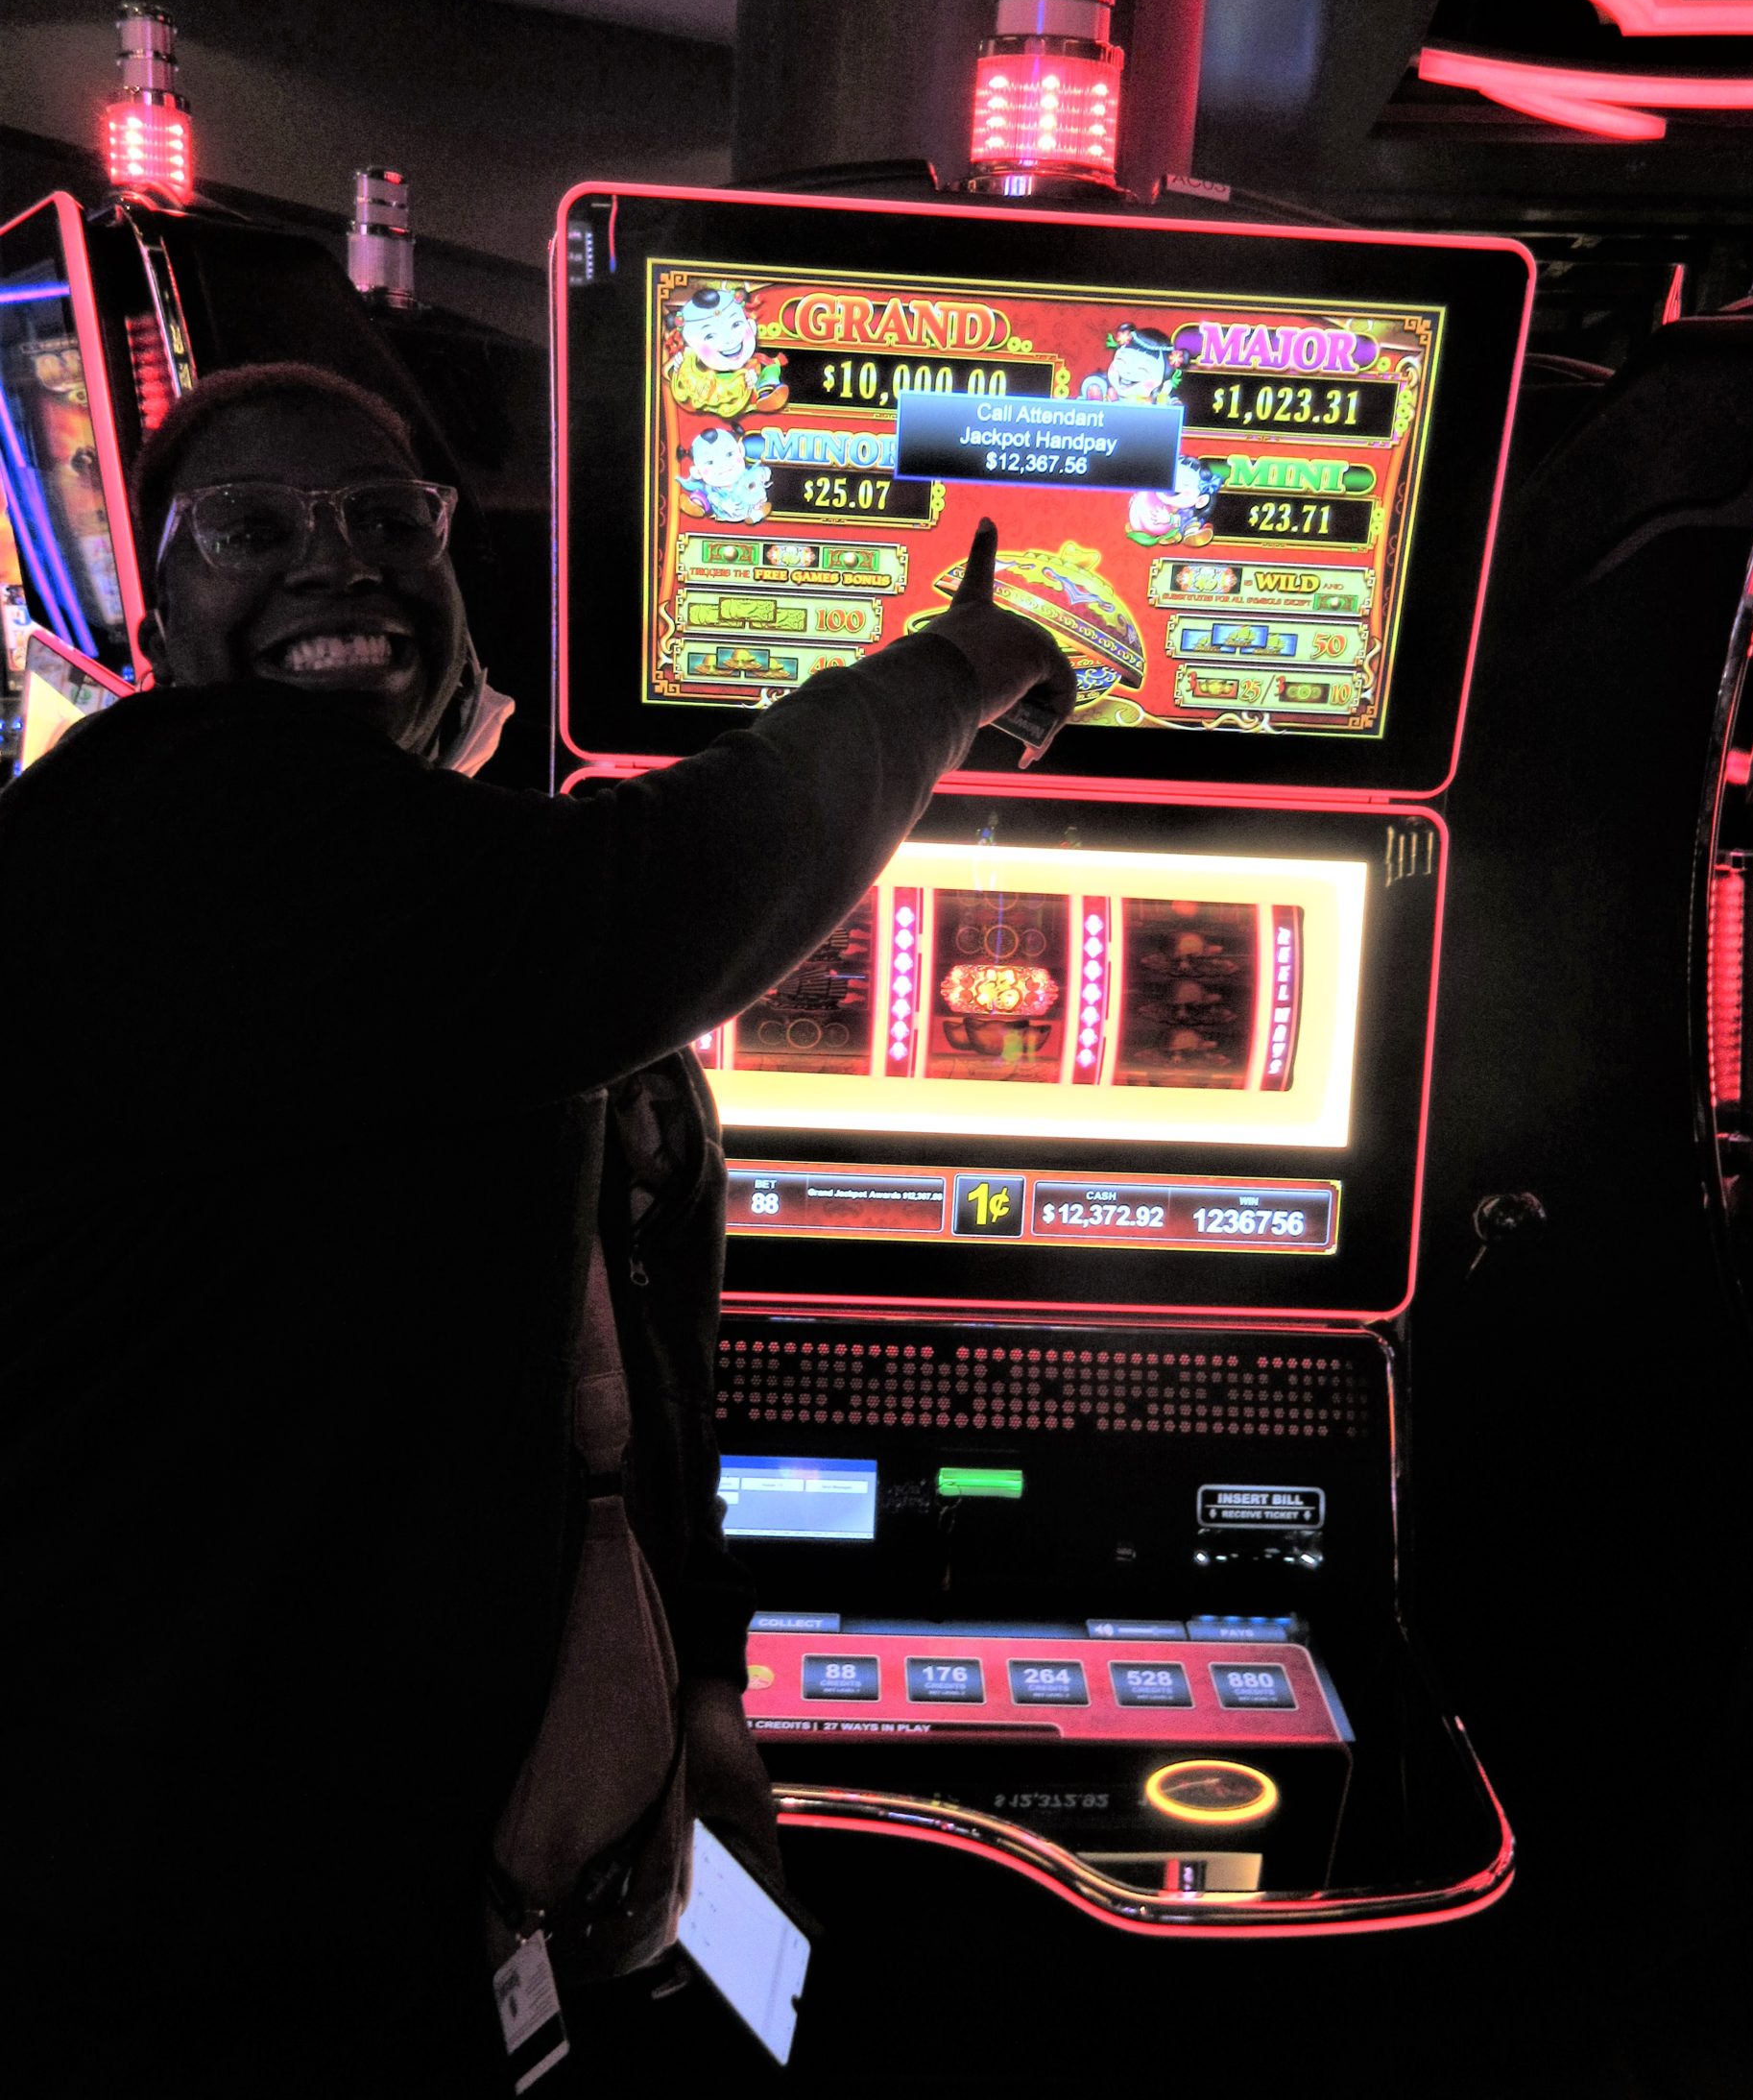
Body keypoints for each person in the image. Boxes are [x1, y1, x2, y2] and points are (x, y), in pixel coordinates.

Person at [0, 362, 1075, 2096]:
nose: (337, 561)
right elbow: (644, 908)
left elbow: (612, 1361)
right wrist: (956, 671)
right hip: (199, 1883)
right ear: (156, 618)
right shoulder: (154, 814)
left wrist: (700, 1693)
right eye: (252, 530)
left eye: (388, 519)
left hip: (469, 1852)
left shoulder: (450, 897)